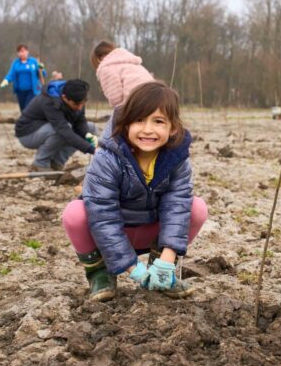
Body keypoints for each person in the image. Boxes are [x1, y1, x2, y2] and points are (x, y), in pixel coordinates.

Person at [61, 80, 208, 301]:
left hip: (151, 231)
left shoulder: (177, 159)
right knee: (75, 213)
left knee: (196, 208)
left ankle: (160, 273)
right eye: (139, 120)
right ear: (126, 123)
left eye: (158, 121)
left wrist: (166, 262)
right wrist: (133, 270)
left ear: (173, 127)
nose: (148, 130)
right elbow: (103, 217)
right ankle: (100, 273)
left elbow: (177, 208)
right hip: (109, 235)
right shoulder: (107, 158)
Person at [14, 79, 97, 171]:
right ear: (65, 98)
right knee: (61, 131)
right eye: (76, 104)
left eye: (82, 103)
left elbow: (80, 120)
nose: (80, 107)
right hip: (27, 134)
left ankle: (56, 163)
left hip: (50, 128)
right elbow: (63, 130)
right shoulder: (50, 102)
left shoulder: (78, 96)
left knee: (91, 128)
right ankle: (40, 164)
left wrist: (86, 134)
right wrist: (91, 149)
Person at [91, 40, 154, 109]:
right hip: (154, 96)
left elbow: (115, 98)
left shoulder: (106, 68)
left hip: (134, 101)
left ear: (98, 59)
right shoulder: (129, 60)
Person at [0, 44, 47, 112]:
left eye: (23, 51)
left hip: (32, 90)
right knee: (23, 109)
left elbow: (42, 74)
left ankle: (29, 121)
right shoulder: (16, 63)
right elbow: (11, 74)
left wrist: (41, 68)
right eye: (19, 52)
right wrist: (6, 80)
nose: (22, 53)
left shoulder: (33, 61)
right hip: (20, 91)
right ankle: (25, 121)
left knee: (28, 108)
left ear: (27, 52)